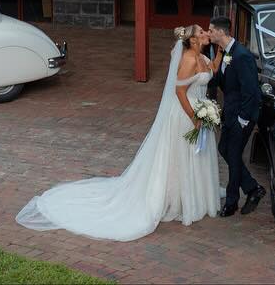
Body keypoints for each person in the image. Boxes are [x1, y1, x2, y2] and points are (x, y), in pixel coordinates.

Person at [15, 25, 220, 241]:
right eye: (201, 33)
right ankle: (177, 198)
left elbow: (212, 70)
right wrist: (195, 117)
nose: (206, 33)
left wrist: (222, 51)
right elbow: (179, 92)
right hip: (185, 114)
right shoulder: (188, 60)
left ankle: (193, 196)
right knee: (181, 156)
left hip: (199, 108)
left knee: (194, 156)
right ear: (193, 40)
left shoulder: (203, 58)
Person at [207, 14, 266, 217]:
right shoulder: (226, 52)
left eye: (211, 30)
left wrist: (243, 119)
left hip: (243, 116)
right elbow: (227, 83)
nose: (209, 33)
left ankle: (232, 203)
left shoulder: (242, 55)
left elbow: (251, 91)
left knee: (232, 154)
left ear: (221, 32)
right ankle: (252, 188)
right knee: (224, 149)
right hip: (230, 114)